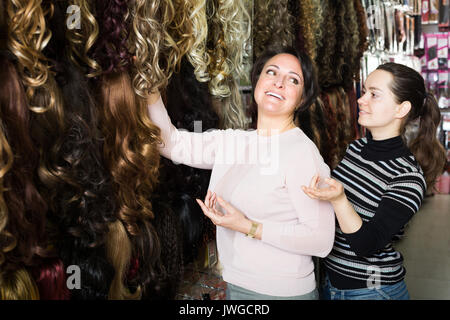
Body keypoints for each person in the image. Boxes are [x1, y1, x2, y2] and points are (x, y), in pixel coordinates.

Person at [147, 46, 335, 300]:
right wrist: (148, 84)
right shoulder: (237, 142)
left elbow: (320, 240)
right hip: (238, 285)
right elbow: (171, 144)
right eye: (272, 72)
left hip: (281, 293)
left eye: (293, 79)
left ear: (302, 98)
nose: (278, 83)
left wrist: (246, 226)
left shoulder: (301, 153)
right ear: (257, 81)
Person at [302, 62, 447, 300]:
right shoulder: (356, 148)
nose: (361, 99)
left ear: (401, 109)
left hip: (372, 290)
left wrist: (339, 200)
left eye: (374, 94)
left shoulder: (408, 177)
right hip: (330, 283)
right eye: (365, 91)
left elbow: (366, 245)